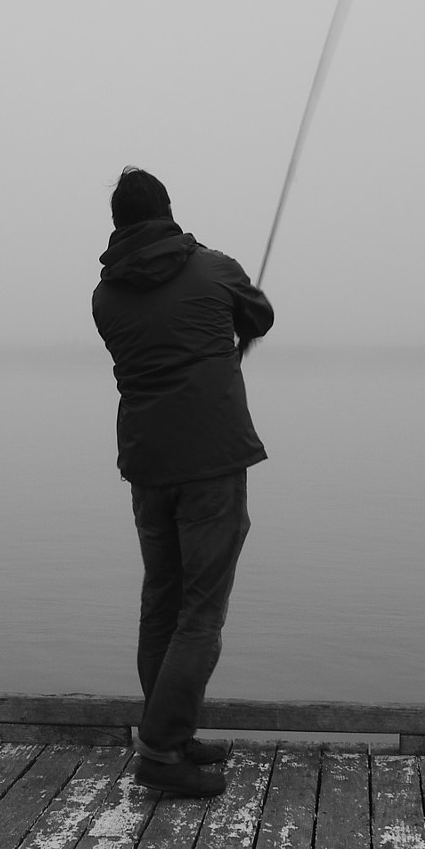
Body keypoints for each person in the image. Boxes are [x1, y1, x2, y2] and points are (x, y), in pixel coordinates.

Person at [91, 167, 273, 797]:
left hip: (148, 465)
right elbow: (261, 318)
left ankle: (168, 728)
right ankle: (162, 753)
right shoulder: (214, 267)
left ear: (118, 225)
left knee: (161, 600)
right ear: (168, 211)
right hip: (212, 462)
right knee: (200, 612)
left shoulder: (104, 297)